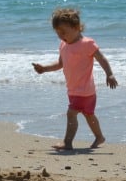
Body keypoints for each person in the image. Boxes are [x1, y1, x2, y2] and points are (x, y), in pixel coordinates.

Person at [33, 8, 118, 151]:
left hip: (85, 89)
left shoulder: (87, 44)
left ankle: (67, 142)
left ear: (76, 28)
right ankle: (99, 136)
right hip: (73, 89)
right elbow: (60, 64)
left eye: (63, 32)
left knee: (71, 113)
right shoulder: (63, 45)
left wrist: (109, 74)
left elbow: (101, 59)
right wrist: (44, 69)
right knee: (88, 115)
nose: (60, 36)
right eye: (58, 32)